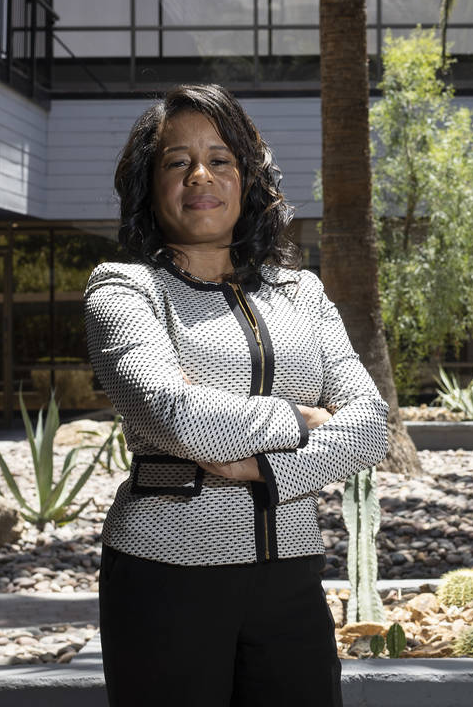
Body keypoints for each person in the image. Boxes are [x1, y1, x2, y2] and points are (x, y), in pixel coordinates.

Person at [84, 83, 389, 706]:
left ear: (248, 178)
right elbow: (177, 414)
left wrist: (257, 465)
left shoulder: (299, 292)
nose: (201, 175)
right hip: (165, 575)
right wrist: (303, 418)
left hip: (292, 579)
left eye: (221, 159)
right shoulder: (123, 289)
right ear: (150, 182)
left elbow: (370, 424)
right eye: (177, 161)